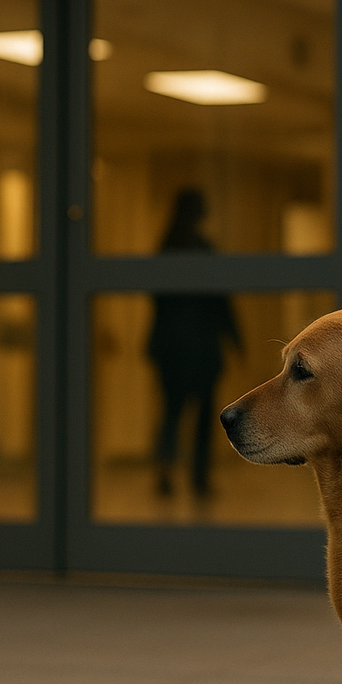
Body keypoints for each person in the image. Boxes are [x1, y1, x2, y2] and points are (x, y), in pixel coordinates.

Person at [147, 188, 241, 497]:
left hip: (174, 348)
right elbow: (221, 303)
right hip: (200, 349)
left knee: (172, 414)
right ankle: (198, 478)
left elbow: (159, 304)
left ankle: (166, 474)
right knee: (198, 417)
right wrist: (235, 340)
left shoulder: (166, 248)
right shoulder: (202, 249)